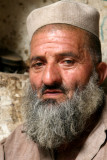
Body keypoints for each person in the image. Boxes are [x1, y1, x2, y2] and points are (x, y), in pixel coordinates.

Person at [0, 0, 107, 159]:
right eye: (38, 64)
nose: (49, 78)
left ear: (99, 74)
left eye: (67, 62)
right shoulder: (14, 145)